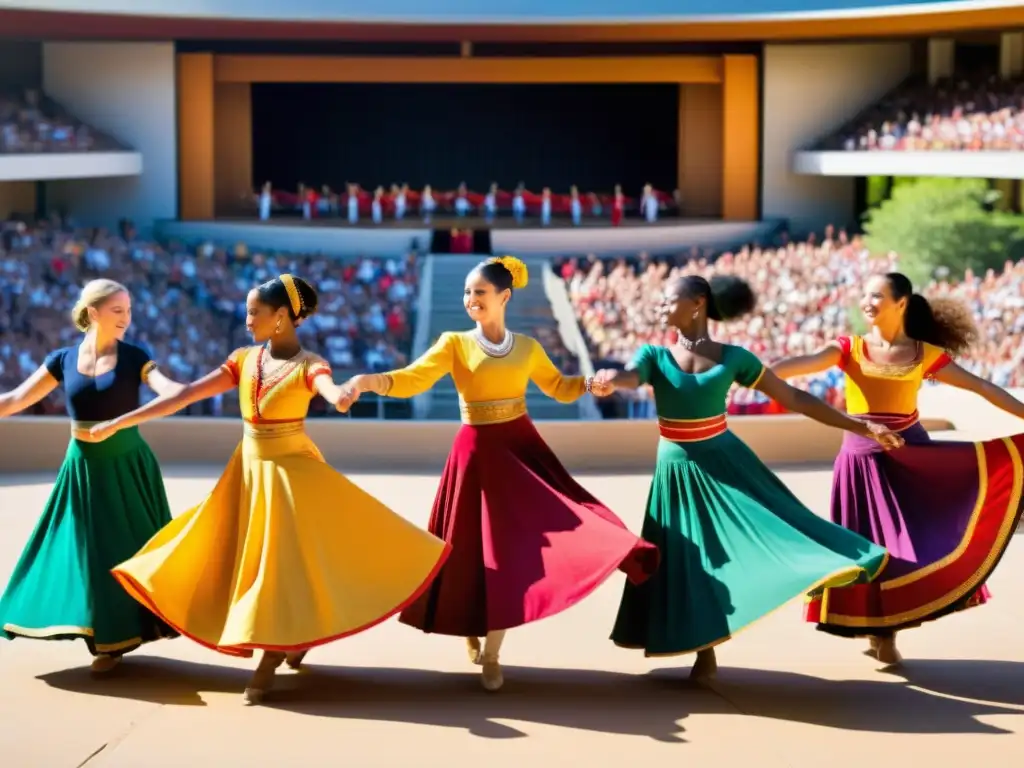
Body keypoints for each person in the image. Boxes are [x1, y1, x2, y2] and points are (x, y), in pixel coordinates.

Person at [87, 274, 450, 704]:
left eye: (253, 312)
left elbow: (330, 391)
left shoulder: (309, 364)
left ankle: (270, 654)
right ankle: (289, 638)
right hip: (247, 474)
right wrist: (118, 422)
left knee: (277, 568)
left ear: (280, 317)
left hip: (291, 476)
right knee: (228, 558)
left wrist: (343, 395)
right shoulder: (242, 359)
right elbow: (183, 395)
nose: (246, 319)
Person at [337, 256, 659, 692]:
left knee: (511, 554)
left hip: (520, 450)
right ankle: (472, 628)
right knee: (469, 551)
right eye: (468, 293)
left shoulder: (527, 347)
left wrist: (588, 384)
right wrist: (367, 381)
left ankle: (492, 653)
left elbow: (559, 387)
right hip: (475, 456)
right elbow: (413, 379)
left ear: (504, 297)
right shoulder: (454, 342)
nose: (471, 300)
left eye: (480, 293)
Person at [594, 274, 898, 681]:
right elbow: (629, 376)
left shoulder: (734, 358)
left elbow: (793, 397)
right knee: (688, 560)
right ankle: (705, 651)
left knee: (766, 534)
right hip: (676, 471)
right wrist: (609, 380)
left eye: (669, 301)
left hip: (726, 463)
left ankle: (718, 640)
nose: (661, 308)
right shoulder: (654, 356)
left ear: (698, 303)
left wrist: (860, 426)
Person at [772, 272, 1024, 666]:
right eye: (865, 295)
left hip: (912, 460)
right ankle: (877, 628)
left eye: (876, 295)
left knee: (905, 549)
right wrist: (749, 374)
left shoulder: (924, 354)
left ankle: (887, 632)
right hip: (859, 463)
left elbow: (984, 388)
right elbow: (797, 366)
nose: (867, 302)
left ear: (901, 302)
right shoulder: (848, 348)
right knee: (868, 551)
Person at [0, 279, 182, 673]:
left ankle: (123, 635)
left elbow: (170, 393)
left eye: (129, 311)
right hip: (82, 466)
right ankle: (106, 642)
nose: (126, 319)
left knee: (132, 548)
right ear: (92, 312)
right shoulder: (61, 360)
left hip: (128, 464)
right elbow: (15, 400)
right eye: (118, 311)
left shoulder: (136, 357)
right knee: (87, 551)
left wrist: (187, 391)